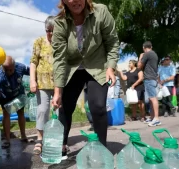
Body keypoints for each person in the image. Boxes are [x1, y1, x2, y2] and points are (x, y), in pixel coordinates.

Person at [51, 0, 119, 150]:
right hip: (73, 68)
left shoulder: (100, 11)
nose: (75, 1)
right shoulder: (60, 22)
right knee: (65, 107)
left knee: (98, 106)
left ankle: (102, 149)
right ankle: (60, 147)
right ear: (63, 1)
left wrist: (110, 68)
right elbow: (59, 58)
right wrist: (57, 91)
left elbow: (112, 41)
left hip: (97, 66)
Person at [0, 56, 30, 149]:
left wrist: (34, 82)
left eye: (11, 70)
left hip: (18, 93)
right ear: (3, 68)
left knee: (21, 113)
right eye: (6, 70)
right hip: (5, 96)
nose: (9, 72)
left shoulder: (21, 67)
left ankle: (23, 136)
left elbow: (32, 72)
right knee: (6, 114)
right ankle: (7, 139)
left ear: (14, 65)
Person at [29, 16, 56, 155]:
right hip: (43, 83)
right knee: (43, 110)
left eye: (53, 30)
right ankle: (40, 139)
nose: (50, 33)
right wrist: (32, 81)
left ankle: (58, 139)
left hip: (58, 84)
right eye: (48, 30)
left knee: (58, 112)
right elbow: (33, 62)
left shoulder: (61, 43)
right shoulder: (39, 41)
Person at [138, 41, 160, 126]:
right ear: (151, 46)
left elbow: (139, 66)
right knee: (151, 99)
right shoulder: (154, 54)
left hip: (149, 78)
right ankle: (152, 117)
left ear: (144, 47)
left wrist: (140, 57)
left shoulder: (147, 54)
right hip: (152, 78)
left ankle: (156, 118)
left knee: (153, 98)